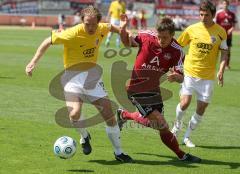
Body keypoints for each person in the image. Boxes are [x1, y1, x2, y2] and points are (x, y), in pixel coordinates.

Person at [25, 6, 133, 163]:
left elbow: (112, 27)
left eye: (93, 24)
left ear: (98, 22)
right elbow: (47, 41)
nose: (90, 27)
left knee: (109, 117)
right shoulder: (72, 33)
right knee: (74, 114)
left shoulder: (102, 28)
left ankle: (119, 152)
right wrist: (33, 62)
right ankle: (84, 136)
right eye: (87, 23)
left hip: (93, 78)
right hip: (72, 78)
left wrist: (125, 31)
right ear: (82, 21)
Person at [117, 14, 201, 163]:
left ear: (173, 35)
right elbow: (127, 43)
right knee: (162, 123)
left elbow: (182, 76)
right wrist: (123, 29)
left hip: (154, 90)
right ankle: (182, 155)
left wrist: (176, 77)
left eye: (165, 38)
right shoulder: (146, 37)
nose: (161, 40)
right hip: (136, 89)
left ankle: (124, 115)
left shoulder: (177, 52)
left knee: (155, 124)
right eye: (159, 36)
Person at [171, 0, 228, 147]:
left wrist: (221, 70)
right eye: (201, 14)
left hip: (207, 77)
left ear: (213, 15)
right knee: (185, 103)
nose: (203, 17)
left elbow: (224, 53)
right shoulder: (191, 29)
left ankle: (187, 137)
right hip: (189, 72)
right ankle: (176, 128)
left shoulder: (220, 32)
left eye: (206, 15)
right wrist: (176, 67)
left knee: (201, 108)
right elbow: (177, 46)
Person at [216, 0, 237, 70]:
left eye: (226, 3)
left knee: (228, 51)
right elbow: (215, 24)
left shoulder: (232, 14)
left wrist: (231, 29)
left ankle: (227, 65)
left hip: (228, 36)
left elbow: (234, 24)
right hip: (220, 36)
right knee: (217, 50)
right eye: (224, 3)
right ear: (222, 4)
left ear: (228, 4)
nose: (225, 5)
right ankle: (216, 64)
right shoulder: (218, 13)